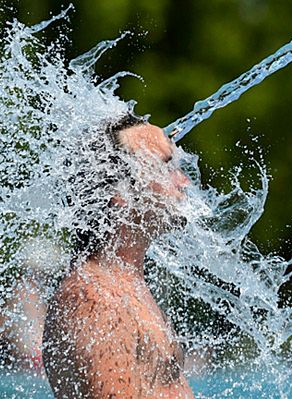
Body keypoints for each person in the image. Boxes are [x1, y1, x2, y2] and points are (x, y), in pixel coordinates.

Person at [42, 114, 194, 398]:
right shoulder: (95, 301)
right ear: (120, 193)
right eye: (165, 167)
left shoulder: (125, 286)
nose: (183, 181)